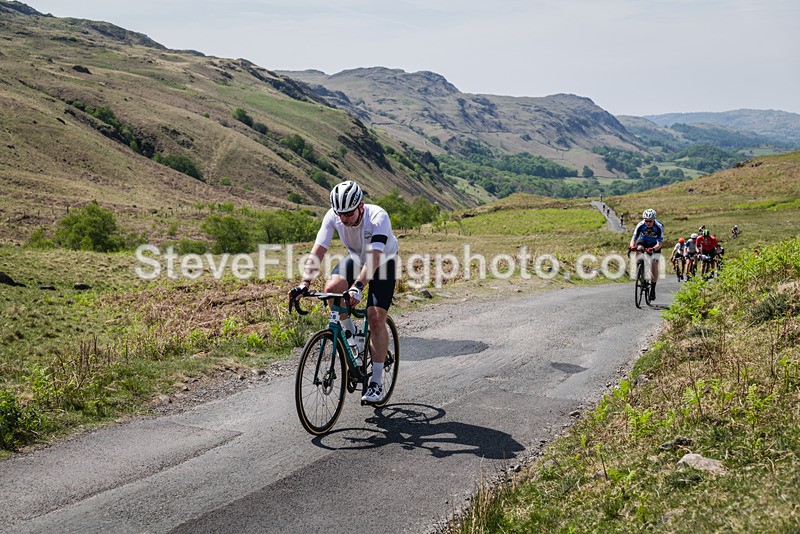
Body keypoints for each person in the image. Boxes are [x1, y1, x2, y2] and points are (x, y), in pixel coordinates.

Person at [290, 180, 399, 403]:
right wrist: (304, 284)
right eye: (340, 213)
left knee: (376, 318)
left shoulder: (378, 217)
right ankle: (353, 339)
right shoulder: (333, 217)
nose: (344, 218)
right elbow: (318, 251)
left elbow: (375, 258)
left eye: (348, 213)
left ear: (360, 206)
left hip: (383, 261)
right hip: (358, 259)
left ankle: (376, 383)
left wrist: (358, 287)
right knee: (331, 289)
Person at [629, 208, 664, 300]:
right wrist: (632, 246)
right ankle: (640, 270)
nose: (648, 223)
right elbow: (634, 238)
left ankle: (652, 288)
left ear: (654, 220)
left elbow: (659, 243)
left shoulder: (659, 226)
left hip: (654, 245)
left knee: (654, 266)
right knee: (639, 248)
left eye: (650, 221)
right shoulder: (640, 225)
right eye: (646, 221)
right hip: (643, 241)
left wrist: (653, 249)